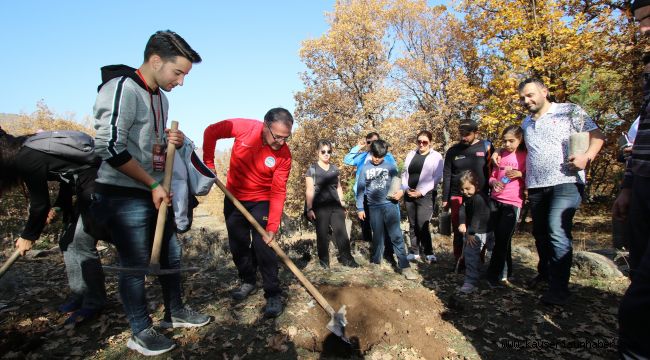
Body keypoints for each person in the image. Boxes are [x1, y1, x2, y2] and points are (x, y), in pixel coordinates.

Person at [91, 30, 210, 356]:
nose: (181, 81)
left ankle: (175, 311)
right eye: (179, 72)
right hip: (122, 193)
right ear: (156, 61)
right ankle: (140, 331)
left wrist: (171, 144)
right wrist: (153, 183)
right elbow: (109, 147)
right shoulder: (122, 89)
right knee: (135, 264)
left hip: (153, 191)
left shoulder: (162, 97)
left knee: (171, 253)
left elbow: (150, 147)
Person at [514, 78, 604, 306]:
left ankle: (559, 289)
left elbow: (597, 136)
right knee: (541, 233)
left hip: (566, 181)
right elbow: (521, 150)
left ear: (544, 91)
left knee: (557, 229)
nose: (527, 100)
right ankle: (546, 274)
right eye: (523, 97)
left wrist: (586, 157)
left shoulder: (569, 111)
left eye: (531, 95)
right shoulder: (526, 123)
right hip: (536, 186)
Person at [5, 129, 106, 325]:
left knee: (80, 244)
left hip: (101, 184)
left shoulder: (26, 157)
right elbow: (66, 177)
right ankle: (79, 294)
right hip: (87, 184)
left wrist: (28, 236)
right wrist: (58, 207)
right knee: (67, 242)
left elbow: (39, 204)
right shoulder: (31, 151)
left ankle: (95, 302)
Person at [202, 108, 293, 318]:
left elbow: (278, 191)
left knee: (264, 245)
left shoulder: (284, 155)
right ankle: (248, 280)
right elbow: (211, 132)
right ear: (265, 125)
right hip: (233, 197)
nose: (281, 142)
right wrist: (208, 164)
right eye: (277, 136)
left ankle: (272, 293)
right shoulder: (244, 128)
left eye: (286, 137)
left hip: (262, 200)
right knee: (238, 244)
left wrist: (272, 227)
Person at [615, 1, 650, 357]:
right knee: (639, 271)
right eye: (639, 22)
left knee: (640, 298)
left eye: (647, 19)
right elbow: (639, 139)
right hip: (641, 184)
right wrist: (627, 185)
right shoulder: (647, 84)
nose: (642, 30)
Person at [356, 140, 417, 280]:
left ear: (385, 154)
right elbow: (360, 189)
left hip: (390, 205)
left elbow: (398, 183)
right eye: (375, 156)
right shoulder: (365, 168)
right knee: (377, 236)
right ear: (371, 153)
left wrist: (400, 192)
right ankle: (376, 263)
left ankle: (405, 266)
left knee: (396, 236)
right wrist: (360, 207)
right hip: (373, 207)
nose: (377, 159)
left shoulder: (390, 167)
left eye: (380, 156)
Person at [441, 121, 493, 268]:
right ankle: (459, 260)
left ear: (476, 132)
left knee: (478, 229)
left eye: (467, 134)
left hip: (480, 196)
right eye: (461, 134)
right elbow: (447, 174)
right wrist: (445, 198)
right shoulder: (453, 151)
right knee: (459, 229)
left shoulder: (486, 147)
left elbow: (493, 169)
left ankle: (477, 260)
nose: (464, 138)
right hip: (457, 195)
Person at [305, 140, 359, 269]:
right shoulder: (312, 170)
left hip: (336, 206)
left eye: (329, 151)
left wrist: (343, 203)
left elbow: (339, 187)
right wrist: (309, 209)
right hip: (320, 207)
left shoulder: (335, 169)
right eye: (323, 151)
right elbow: (309, 190)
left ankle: (347, 260)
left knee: (342, 233)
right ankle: (324, 263)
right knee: (322, 235)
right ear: (317, 152)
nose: (326, 154)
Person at [344, 132, 397, 262]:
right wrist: (358, 147)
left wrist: (394, 194)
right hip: (364, 195)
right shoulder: (362, 157)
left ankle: (389, 253)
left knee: (384, 226)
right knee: (366, 225)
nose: (371, 145)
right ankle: (372, 252)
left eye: (374, 142)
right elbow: (347, 160)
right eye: (369, 142)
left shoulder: (388, 157)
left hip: (382, 198)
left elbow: (395, 176)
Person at [485, 125, 527, 288]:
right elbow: (493, 176)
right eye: (505, 141)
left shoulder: (525, 155)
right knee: (498, 238)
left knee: (502, 239)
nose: (508, 144)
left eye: (512, 141)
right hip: (495, 200)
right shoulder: (500, 154)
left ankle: (493, 275)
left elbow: (533, 175)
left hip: (512, 203)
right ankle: (506, 271)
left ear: (520, 140)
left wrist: (521, 174)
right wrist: (493, 182)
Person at [400, 130, 444, 264]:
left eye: (425, 142)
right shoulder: (411, 154)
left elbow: (437, 177)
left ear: (430, 142)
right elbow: (403, 173)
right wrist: (405, 188)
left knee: (422, 224)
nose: (421, 144)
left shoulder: (436, 156)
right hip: (409, 193)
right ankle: (414, 251)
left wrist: (421, 191)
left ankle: (429, 252)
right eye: (419, 141)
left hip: (426, 195)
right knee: (412, 224)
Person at [457, 170, 492, 294]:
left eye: (468, 188)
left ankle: (494, 276)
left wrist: (471, 233)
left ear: (476, 185)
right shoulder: (467, 197)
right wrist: (462, 222)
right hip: (476, 230)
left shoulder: (478, 198)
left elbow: (477, 216)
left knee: (486, 254)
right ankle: (471, 280)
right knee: (471, 255)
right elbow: (462, 209)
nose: (465, 192)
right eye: (462, 190)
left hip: (483, 231)